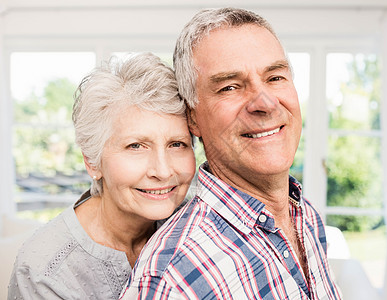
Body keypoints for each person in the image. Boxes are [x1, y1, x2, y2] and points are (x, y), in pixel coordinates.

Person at [120, 7, 342, 300]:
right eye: (229, 87)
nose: (265, 103)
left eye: (275, 77)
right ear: (193, 119)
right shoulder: (175, 277)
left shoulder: (307, 218)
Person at [8, 52, 196, 299]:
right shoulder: (44, 272)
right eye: (136, 146)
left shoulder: (197, 222)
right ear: (91, 161)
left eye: (177, 144)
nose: (162, 171)